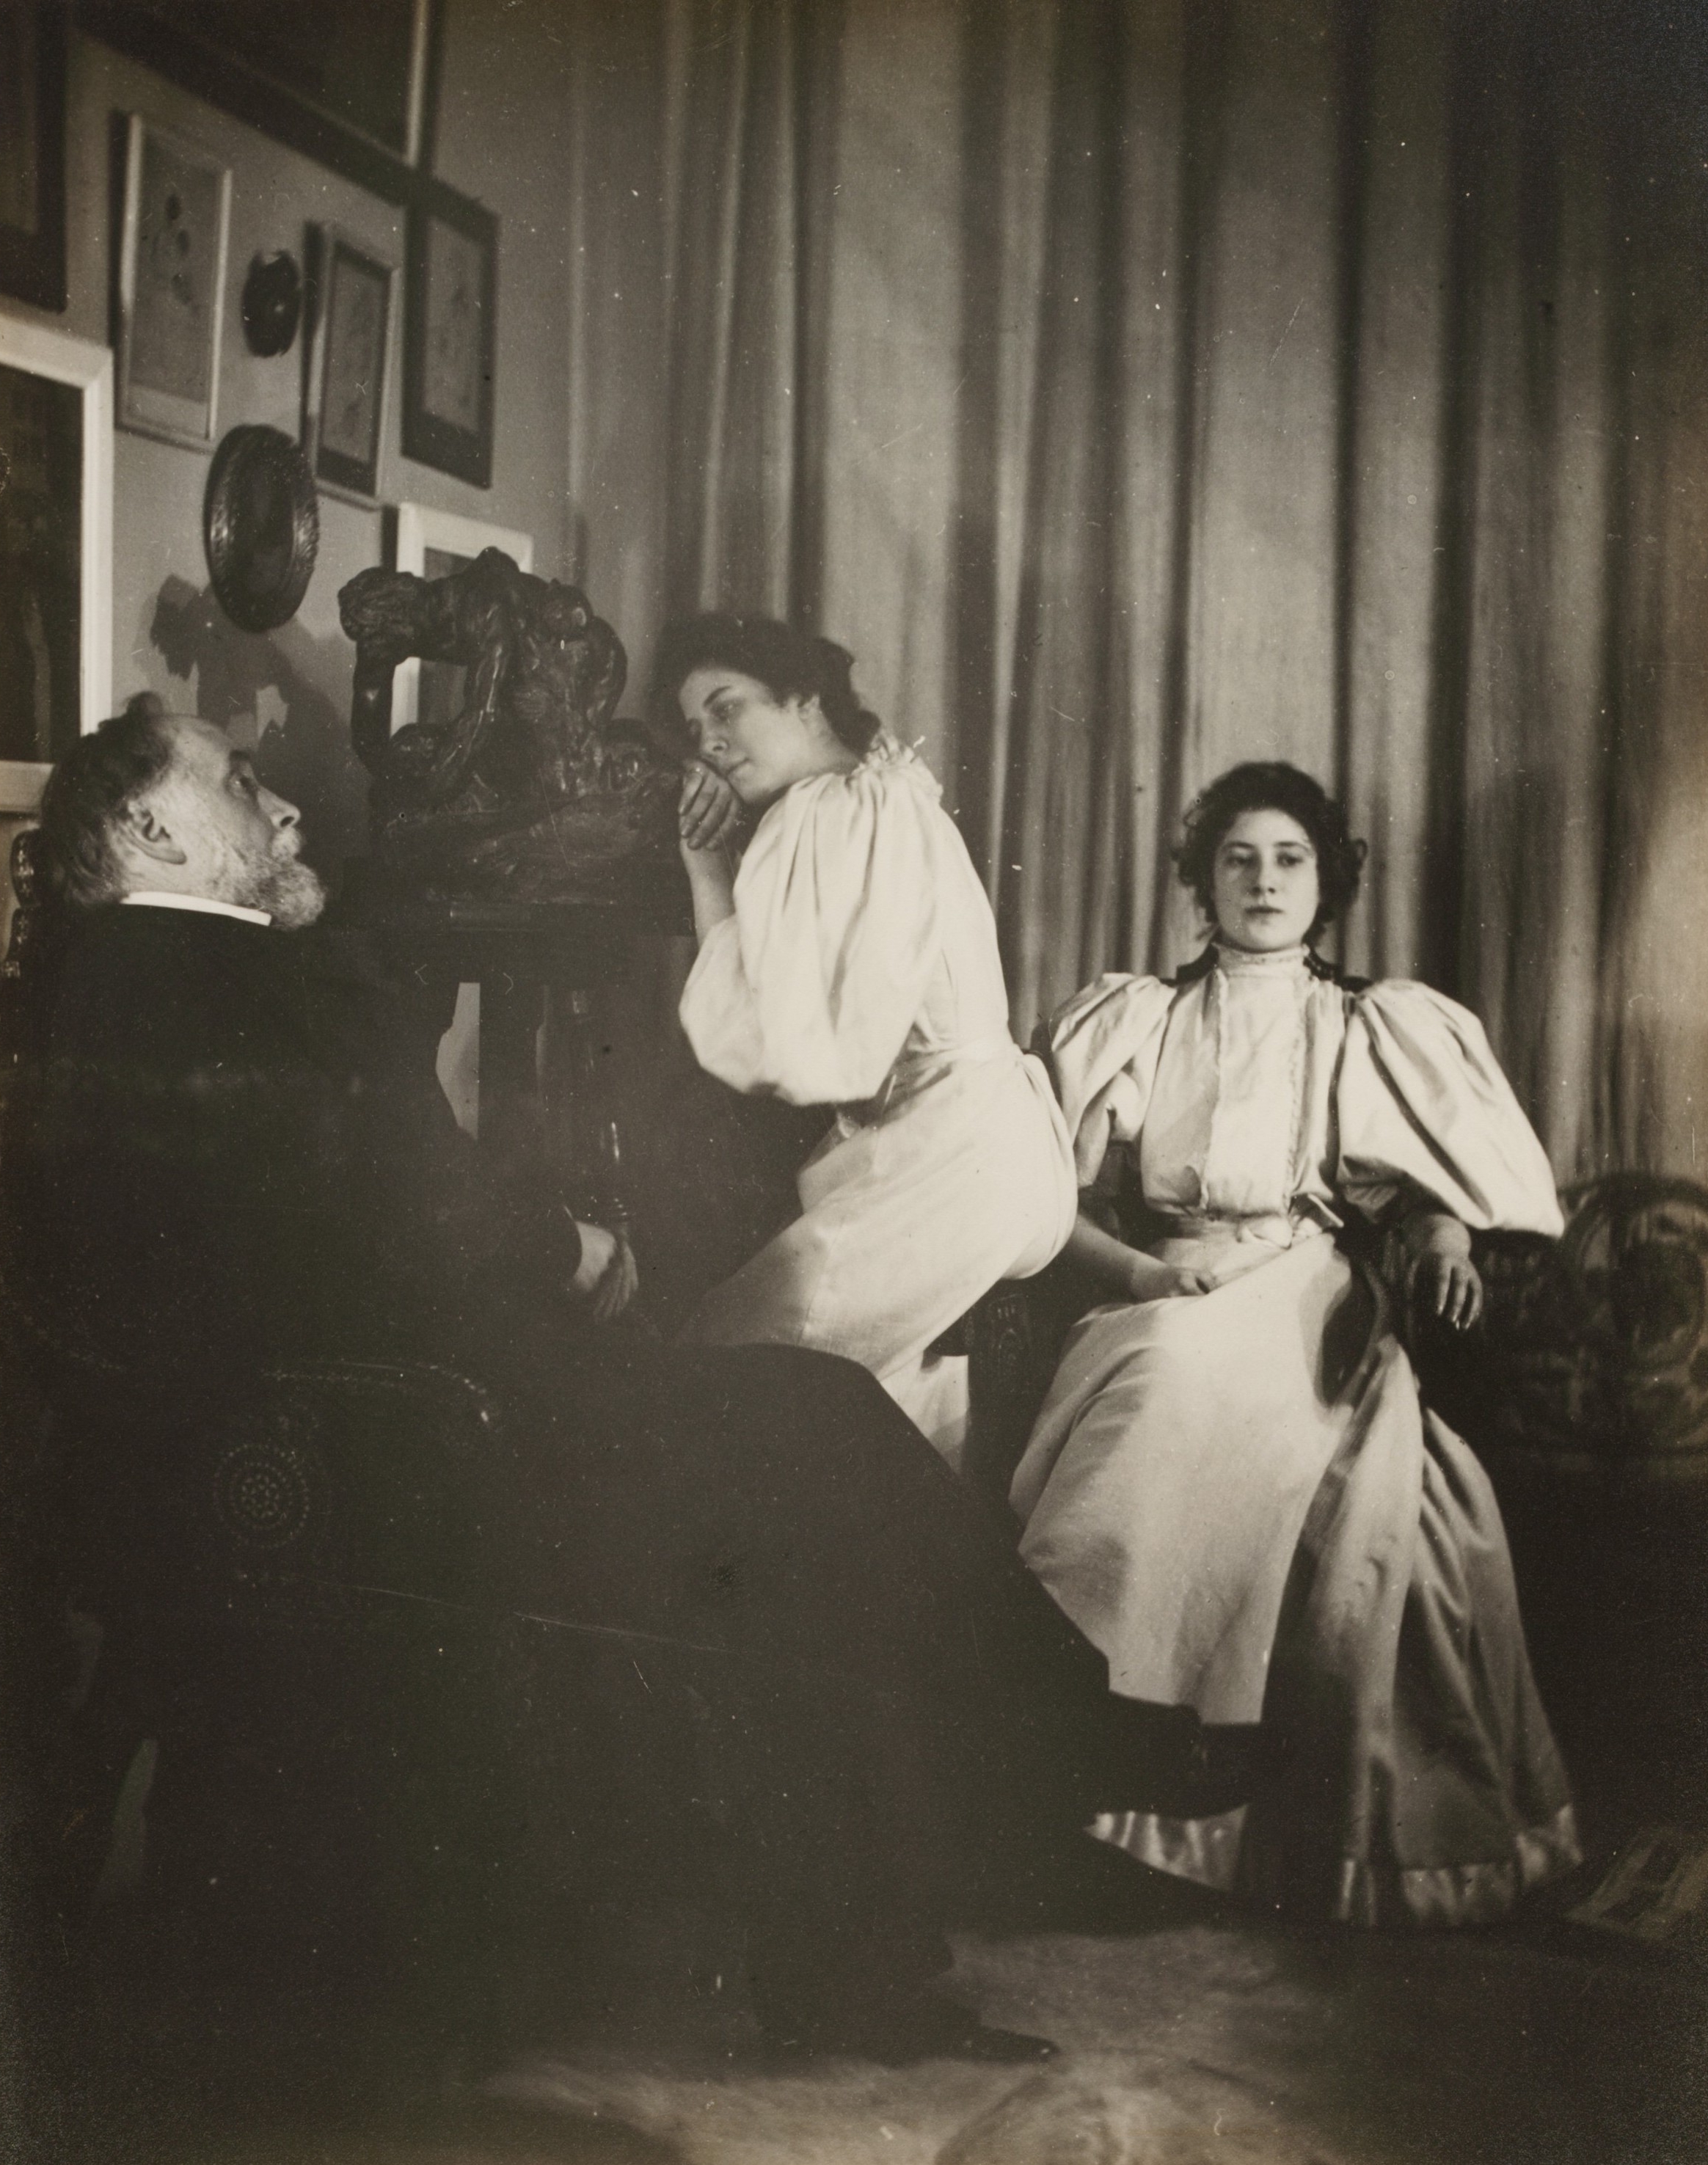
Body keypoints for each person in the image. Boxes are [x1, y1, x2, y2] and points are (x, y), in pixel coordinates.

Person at [0, 699, 1267, 2064]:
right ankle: (1007, 1803)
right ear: (148, 828)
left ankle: (981, 1822)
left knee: (792, 1429)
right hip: (388, 1460)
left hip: (255, 1460)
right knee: (809, 1433)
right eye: (241, 783)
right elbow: (399, 1210)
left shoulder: (93, 990)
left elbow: (314, 1227)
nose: (285, 807)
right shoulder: (236, 979)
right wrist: (570, 1247)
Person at [1009, 762, 1581, 1925]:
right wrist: (1146, 1271)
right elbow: (1040, 1201)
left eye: (1290, 859)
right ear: (1200, 880)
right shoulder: (1140, 1016)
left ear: (1327, 882)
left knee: (1239, 1408)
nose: (1264, 881)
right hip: (1166, 1273)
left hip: (1306, 1280)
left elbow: (1428, 1181)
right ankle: (1083, 1775)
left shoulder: (1366, 1018)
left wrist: (1447, 1242)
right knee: (1159, 1371)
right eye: (1238, 858)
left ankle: (1194, 1775)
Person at [663, 616, 1077, 1461]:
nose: (709, 743)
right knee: (876, 1401)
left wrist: (704, 869)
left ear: (805, 699)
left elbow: (784, 1045)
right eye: (695, 729)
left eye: (727, 707)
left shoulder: (824, 813)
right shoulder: (887, 792)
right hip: (997, 1145)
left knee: (731, 1364)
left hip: (953, 1158)